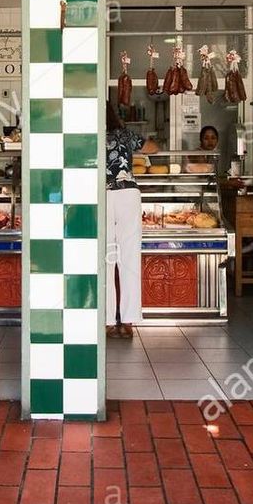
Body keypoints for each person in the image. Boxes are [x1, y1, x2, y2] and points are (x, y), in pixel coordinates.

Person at [106, 101, 144, 338]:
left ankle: (108, 321)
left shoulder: (89, 135)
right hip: (129, 193)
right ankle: (128, 321)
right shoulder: (126, 134)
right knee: (129, 256)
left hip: (104, 194)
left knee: (106, 258)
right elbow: (152, 148)